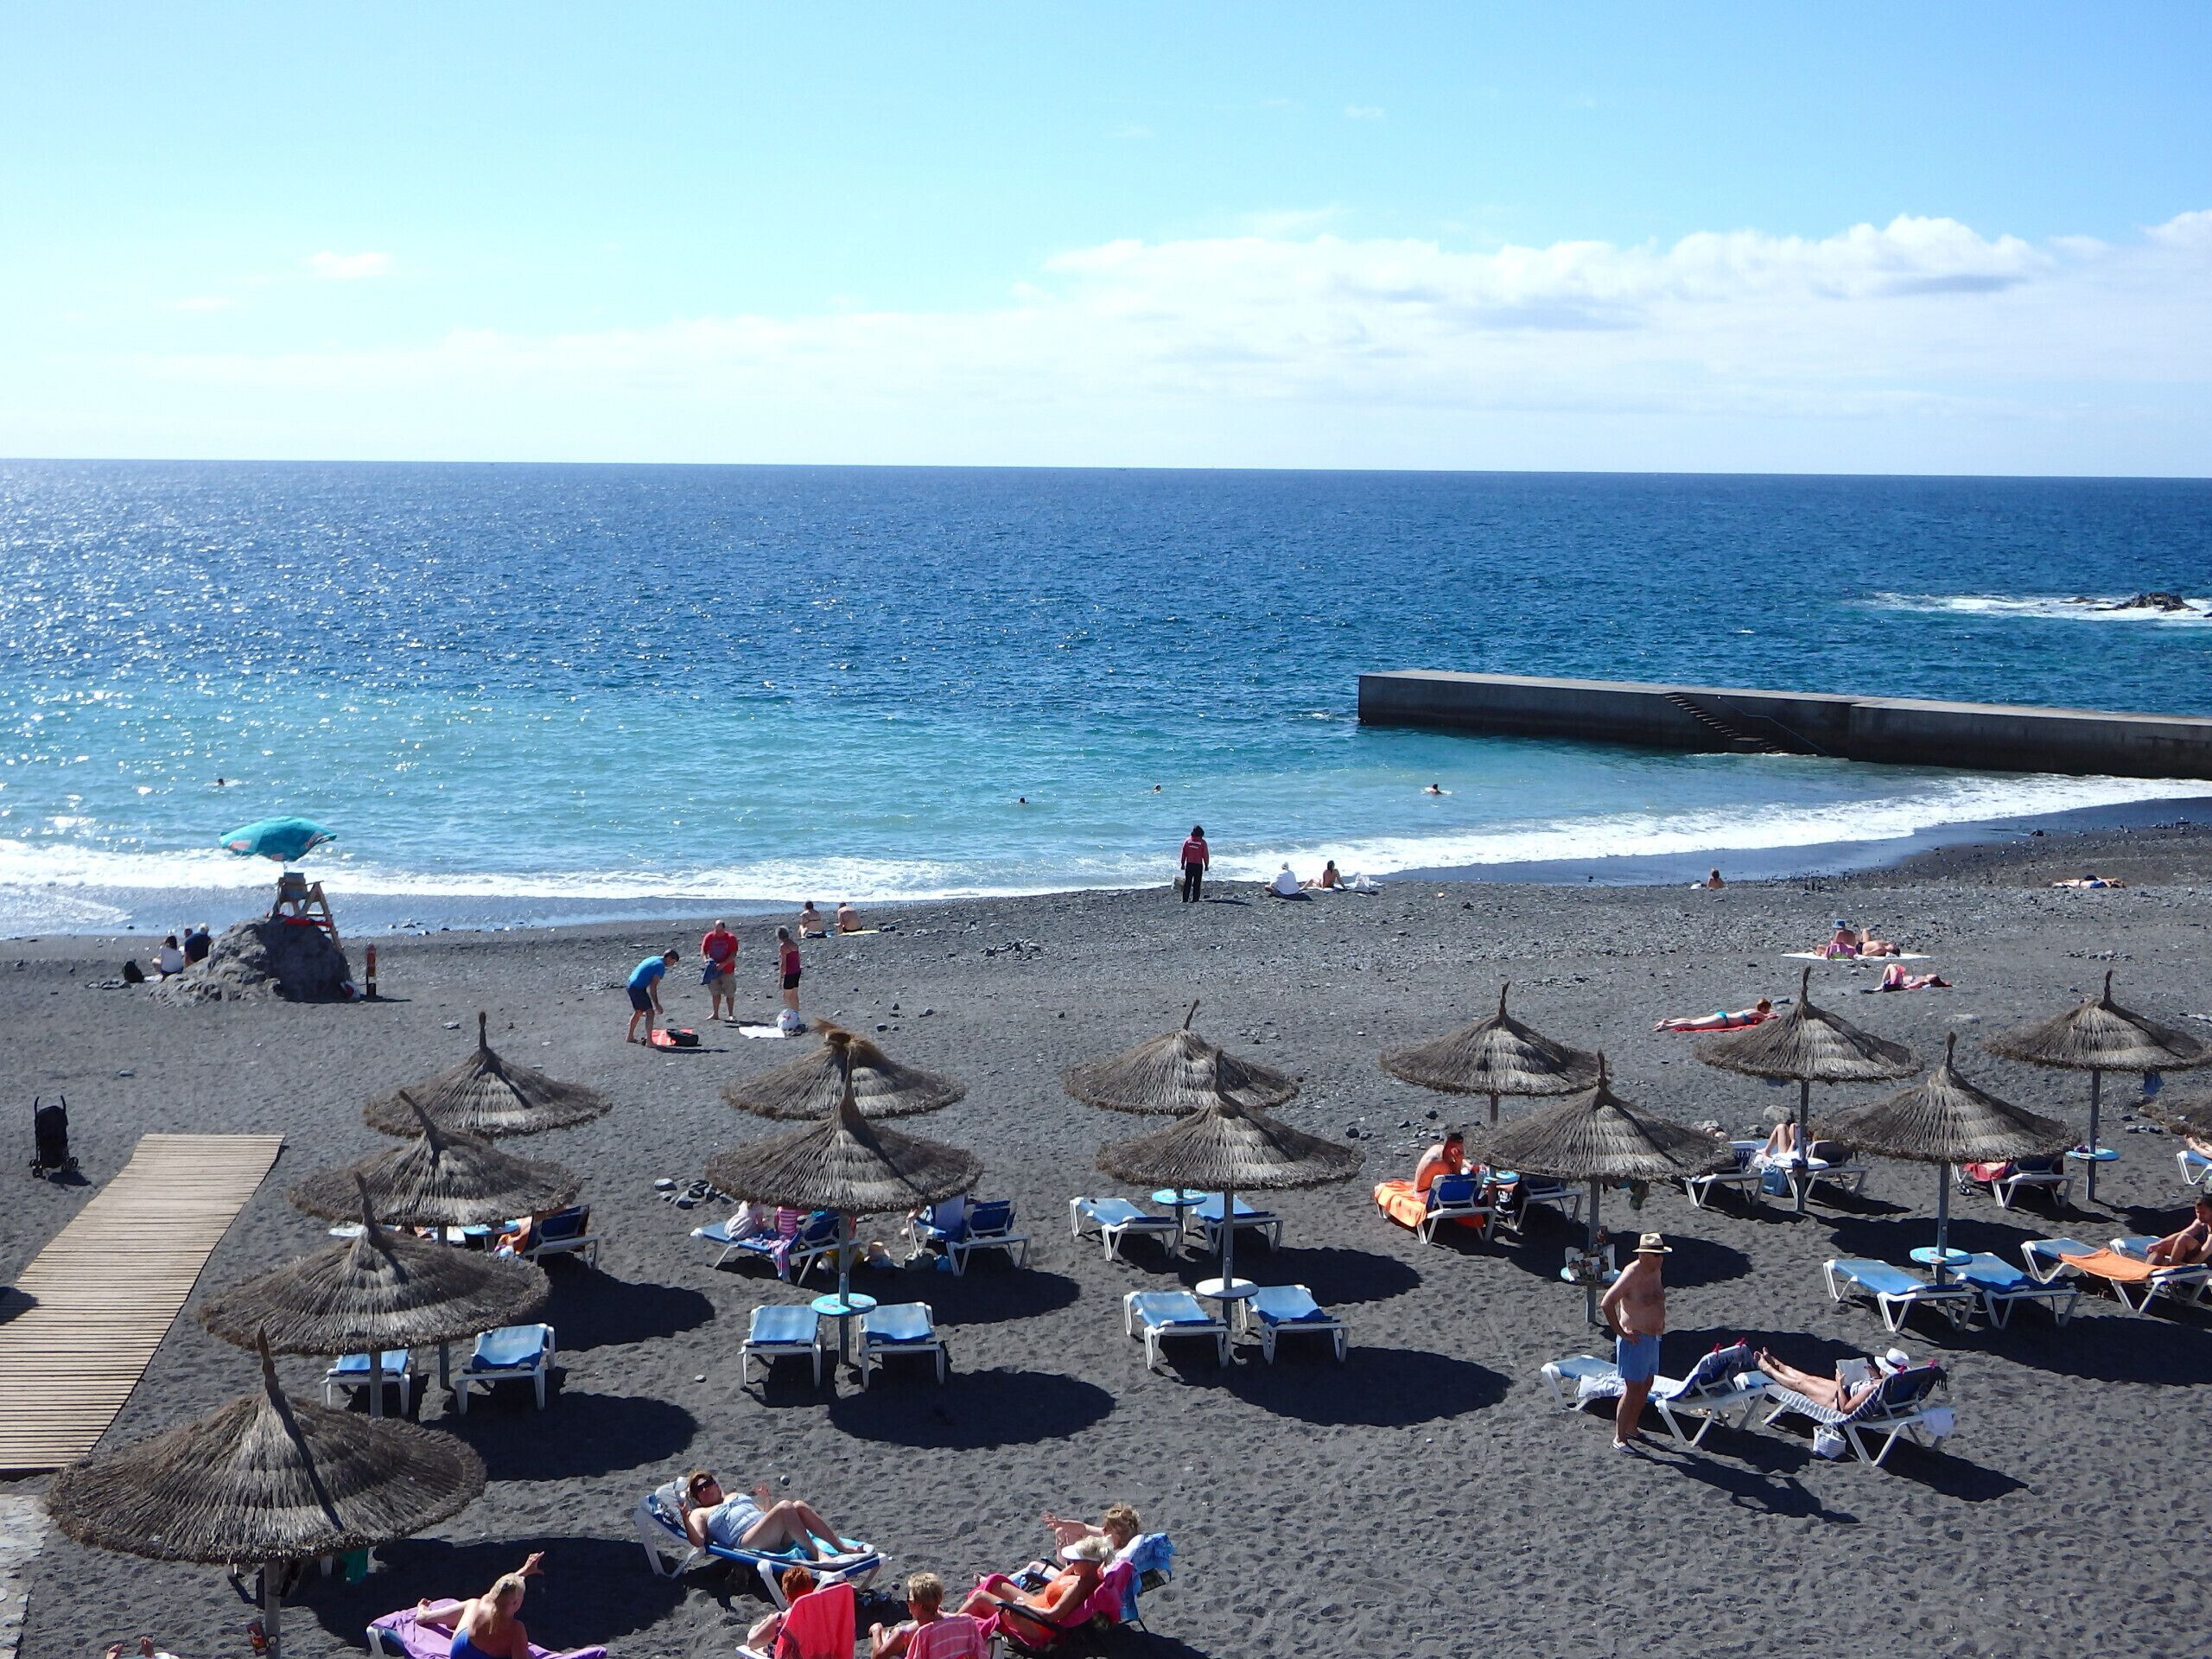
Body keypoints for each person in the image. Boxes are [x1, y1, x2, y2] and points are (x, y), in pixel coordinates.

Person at [680, 1470, 855, 1562]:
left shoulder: (734, 1495)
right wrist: (685, 1518)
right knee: (786, 1506)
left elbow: (764, 1515)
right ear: (696, 1498)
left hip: (767, 1534)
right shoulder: (698, 1513)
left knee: (799, 1506)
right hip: (746, 1541)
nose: (705, 1489)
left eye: (707, 1483)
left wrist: (766, 1499)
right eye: (698, 1489)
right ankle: (817, 1554)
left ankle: (840, 1546)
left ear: (716, 1485)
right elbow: (698, 1541)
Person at [1598, 1234, 1669, 1450]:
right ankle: (1619, 1438)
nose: (1660, 1259)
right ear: (1643, 1255)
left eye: (1661, 1255)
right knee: (1632, 1388)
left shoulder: (1656, 1271)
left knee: (1646, 1384)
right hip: (1635, 1340)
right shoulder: (1631, 1274)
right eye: (1656, 1255)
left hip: (1652, 1338)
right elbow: (1607, 1303)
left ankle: (1632, 1426)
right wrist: (1621, 1332)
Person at [412, 1551, 546, 1659]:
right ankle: (425, 1616)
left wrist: (524, 1571)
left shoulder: (485, 1602)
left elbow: (501, 1589)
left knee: (472, 1604)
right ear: (516, 1603)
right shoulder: (516, 1629)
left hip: (460, 1653)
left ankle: (425, 1616)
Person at [957, 1535, 1109, 1624]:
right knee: (995, 1581)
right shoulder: (1090, 1574)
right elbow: (1061, 1578)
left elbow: (1052, 1616)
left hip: (1035, 1622)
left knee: (980, 1598)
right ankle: (962, 1621)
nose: (1071, 1562)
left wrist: (1026, 1607)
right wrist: (1072, 1565)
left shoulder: (1078, 1587)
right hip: (1037, 1603)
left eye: (1076, 1560)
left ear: (1089, 1564)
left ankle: (952, 1622)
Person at [1755, 1345, 1912, 1412]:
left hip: (1836, 1400)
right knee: (1809, 1378)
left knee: (1800, 1384)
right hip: (1845, 1391)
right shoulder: (1890, 1385)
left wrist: (1839, 1384)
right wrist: (1874, 1376)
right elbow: (1878, 1392)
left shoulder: (1872, 1389)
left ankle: (1768, 1369)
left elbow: (1846, 1409)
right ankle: (1779, 1365)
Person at [870, 1573, 984, 1659]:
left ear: (919, 1605)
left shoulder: (914, 1634)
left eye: (909, 1600)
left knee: (887, 1636)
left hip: (901, 1639)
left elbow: (878, 1656)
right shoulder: (966, 1622)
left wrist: (876, 1629)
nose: (907, 1603)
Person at [745, 1566, 817, 1654]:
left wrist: (762, 1625)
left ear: (787, 1596)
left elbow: (752, 1643)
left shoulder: (781, 1620)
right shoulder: (820, 1615)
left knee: (759, 1649)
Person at [626, 949, 679, 1045]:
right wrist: (656, 1004)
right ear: (669, 958)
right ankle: (649, 1042)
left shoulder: (655, 958)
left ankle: (630, 1037)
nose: (672, 965)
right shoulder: (660, 967)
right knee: (650, 1013)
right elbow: (653, 986)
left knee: (638, 1011)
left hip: (630, 984)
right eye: (673, 962)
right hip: (637, 988)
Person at [2145, 1195, 2212, 1266]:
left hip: (2206, 1261)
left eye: (2203, 1213)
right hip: (2197, 1255)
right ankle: (2146, 1271)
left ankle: (2172, 1268)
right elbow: (2182, 1233)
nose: (2200, 1216)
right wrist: (2159, 1244)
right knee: (2160, 1247)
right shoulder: (2200, 1222)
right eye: (2198, 1212)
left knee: (2184, 1238)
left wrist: (2191, 1265)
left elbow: (2205, 1252)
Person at [1654, 997, 1773, 1033]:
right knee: (1694, 1026)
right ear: (1763, 1008)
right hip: (1724, 1021)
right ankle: (1667, 1026)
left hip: (1723, 1016)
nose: (1767, 1012)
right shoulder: (1757, 1013)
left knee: (1693, 1021)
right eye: (1767, 1010)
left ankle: (1669, 1022)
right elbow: (1769, 1018)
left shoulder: (1751, 1011)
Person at [702, 919, 739, 1024]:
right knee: (715, 992)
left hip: (727, 970)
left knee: (730, 992)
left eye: (719, 930)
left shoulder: (730, 938)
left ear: (724, 929)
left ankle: (731, 1014)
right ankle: (715, 1013)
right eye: (716, 930)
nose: (717, 932)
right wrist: (706, 960)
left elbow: (733, 954)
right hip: (713, 970)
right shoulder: (710, 937)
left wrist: (723, 964)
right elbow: (704, 950)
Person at [1412, 1129, 1469, 1195]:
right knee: (1461, 1191)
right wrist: (1459, 1159)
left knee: (1466, 1170)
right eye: (1461, 1152)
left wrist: (1469, 1166)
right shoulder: (1440, 1162)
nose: (1462, 1154)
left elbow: (1460, 1163)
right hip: (1424, 1193)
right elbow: (1457, 1179)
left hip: (1425, 1188)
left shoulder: (1439, 1148)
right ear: (1454, 1151)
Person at [1177, 825, 1209, 903]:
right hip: (1198, 865)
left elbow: (1183, 853)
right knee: (1197, 883)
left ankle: (1185, 899)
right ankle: (1195, 899)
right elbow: (1205, 855)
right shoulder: (1202, 843)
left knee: (1188, 882)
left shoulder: (1187, 841)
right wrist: (1206, 865)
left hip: (1189, 864)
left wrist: (1182, 863)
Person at [777, 926, 804, 1013]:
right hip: (797, 970)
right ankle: (796, 1013)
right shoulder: (794, 944)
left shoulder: (783, 946)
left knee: (786, 996)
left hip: (790, 972)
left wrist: (780, 978)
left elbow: (783, 963)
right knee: (794, 995)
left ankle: (791, 1014)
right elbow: (798, 958)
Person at [1876, 963, 1950, 991]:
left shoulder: (1922, 982)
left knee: (1890, 966)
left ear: (1929, 979)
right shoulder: (1922, 979)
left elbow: (1912, 986)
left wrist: (1904, 987)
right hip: (1899, 980)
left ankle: (1881, 986)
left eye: (1932, 975)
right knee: (1895, 966)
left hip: (1897, 983)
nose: (1932, 974)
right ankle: (1882, 985)